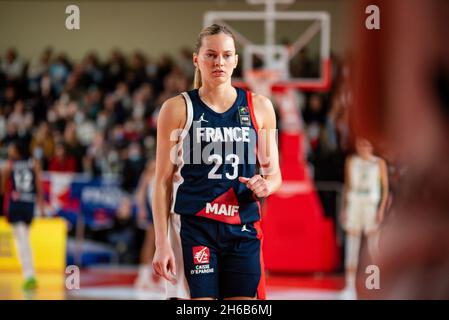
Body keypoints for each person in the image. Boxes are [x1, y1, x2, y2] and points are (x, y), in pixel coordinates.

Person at [152, 24, 282, 300]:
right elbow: (162, 180)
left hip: (242, 228)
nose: (219, 62)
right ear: (197, 59)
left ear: (235, 60)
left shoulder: (260, 106)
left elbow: (274, 175)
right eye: (211, 55)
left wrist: (265, 186)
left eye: (226, 55)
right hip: (195, 226)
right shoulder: (176, 109)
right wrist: (161, 243)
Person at [340, 138, 388, 299]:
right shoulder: (351, 161)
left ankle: (374, 286)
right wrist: (345, 208)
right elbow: (347, 186)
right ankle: (350, 286)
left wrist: (381, 210)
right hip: (354, 204)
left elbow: (385, 189)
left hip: (370, 206)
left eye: (367, 145)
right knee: (352, 247)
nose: (363, 148)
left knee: (373, 248)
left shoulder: (379, 163)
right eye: (361, 144)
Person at [1, 140, 44, 290]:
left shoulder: (10, 164)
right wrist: (41, 205)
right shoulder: (33, 163)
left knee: (21, 241)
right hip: (29, 205)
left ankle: (29, 275)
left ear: (18, 150)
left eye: (12, 148)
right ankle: (29, 274)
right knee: (23, 238)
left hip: (16, 205)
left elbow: (3, 185)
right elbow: (39, 186)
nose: (10, 150)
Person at [134, 159, 164, 292]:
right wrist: (141, 208)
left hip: (163, 205)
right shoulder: (154, 163)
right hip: (152, 205)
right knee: (150, 241)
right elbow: (141, 188)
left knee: (166, 242)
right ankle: (143, 276)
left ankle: (163, 278)